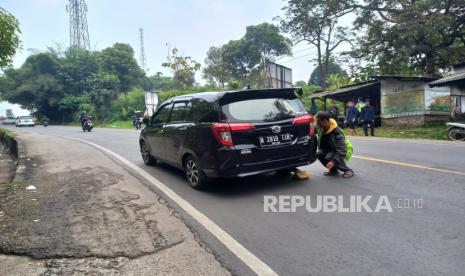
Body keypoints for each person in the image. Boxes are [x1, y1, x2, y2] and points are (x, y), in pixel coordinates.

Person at [316, 112, 354, 178]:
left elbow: (342, 149)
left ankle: (348, 170)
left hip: (343, 150)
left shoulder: (337, 132)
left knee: (329, 157)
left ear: (325, 121)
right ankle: (333, 171)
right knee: (319, 154)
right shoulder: (321, 128)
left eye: (318, 121)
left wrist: (333, 162)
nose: (317, 123)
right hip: (330, 149)